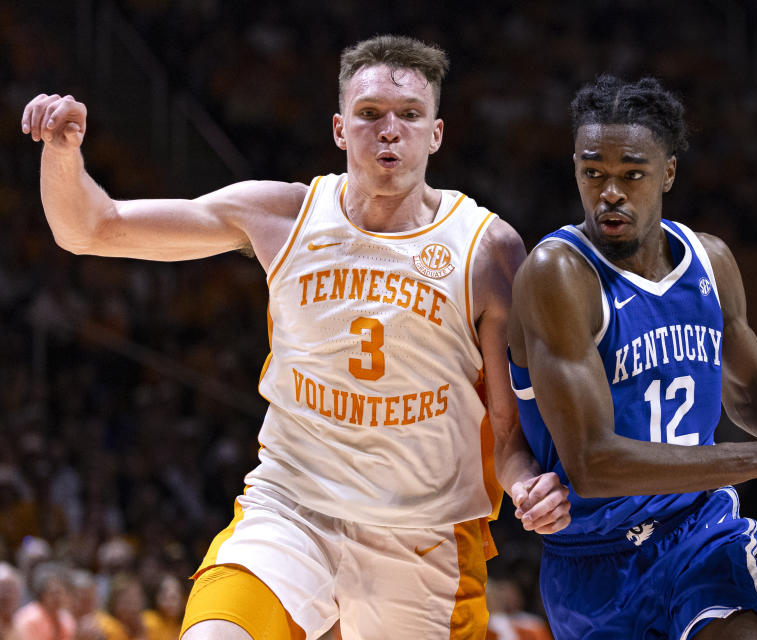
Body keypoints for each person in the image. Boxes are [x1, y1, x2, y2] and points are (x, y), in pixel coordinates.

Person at [22, 34, 570, 640]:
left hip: (423, 536)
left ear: (435, 133)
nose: (390, 131)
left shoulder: (488, 248)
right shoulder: (281, 216)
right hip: (292, 511)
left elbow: (507, 432)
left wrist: (528, 486)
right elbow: (93, 228)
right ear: (340, 129)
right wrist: (62, 154)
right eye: (369, 115)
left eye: (410, 116)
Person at [506, 74, 757, 639]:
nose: (610, 193)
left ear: (667, 172)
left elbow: (755, 393)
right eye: (592, 172)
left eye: (632, 174)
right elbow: (592, 465)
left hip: (698, 530)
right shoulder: (558, 275)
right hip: (592, 558)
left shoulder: (710, 262)